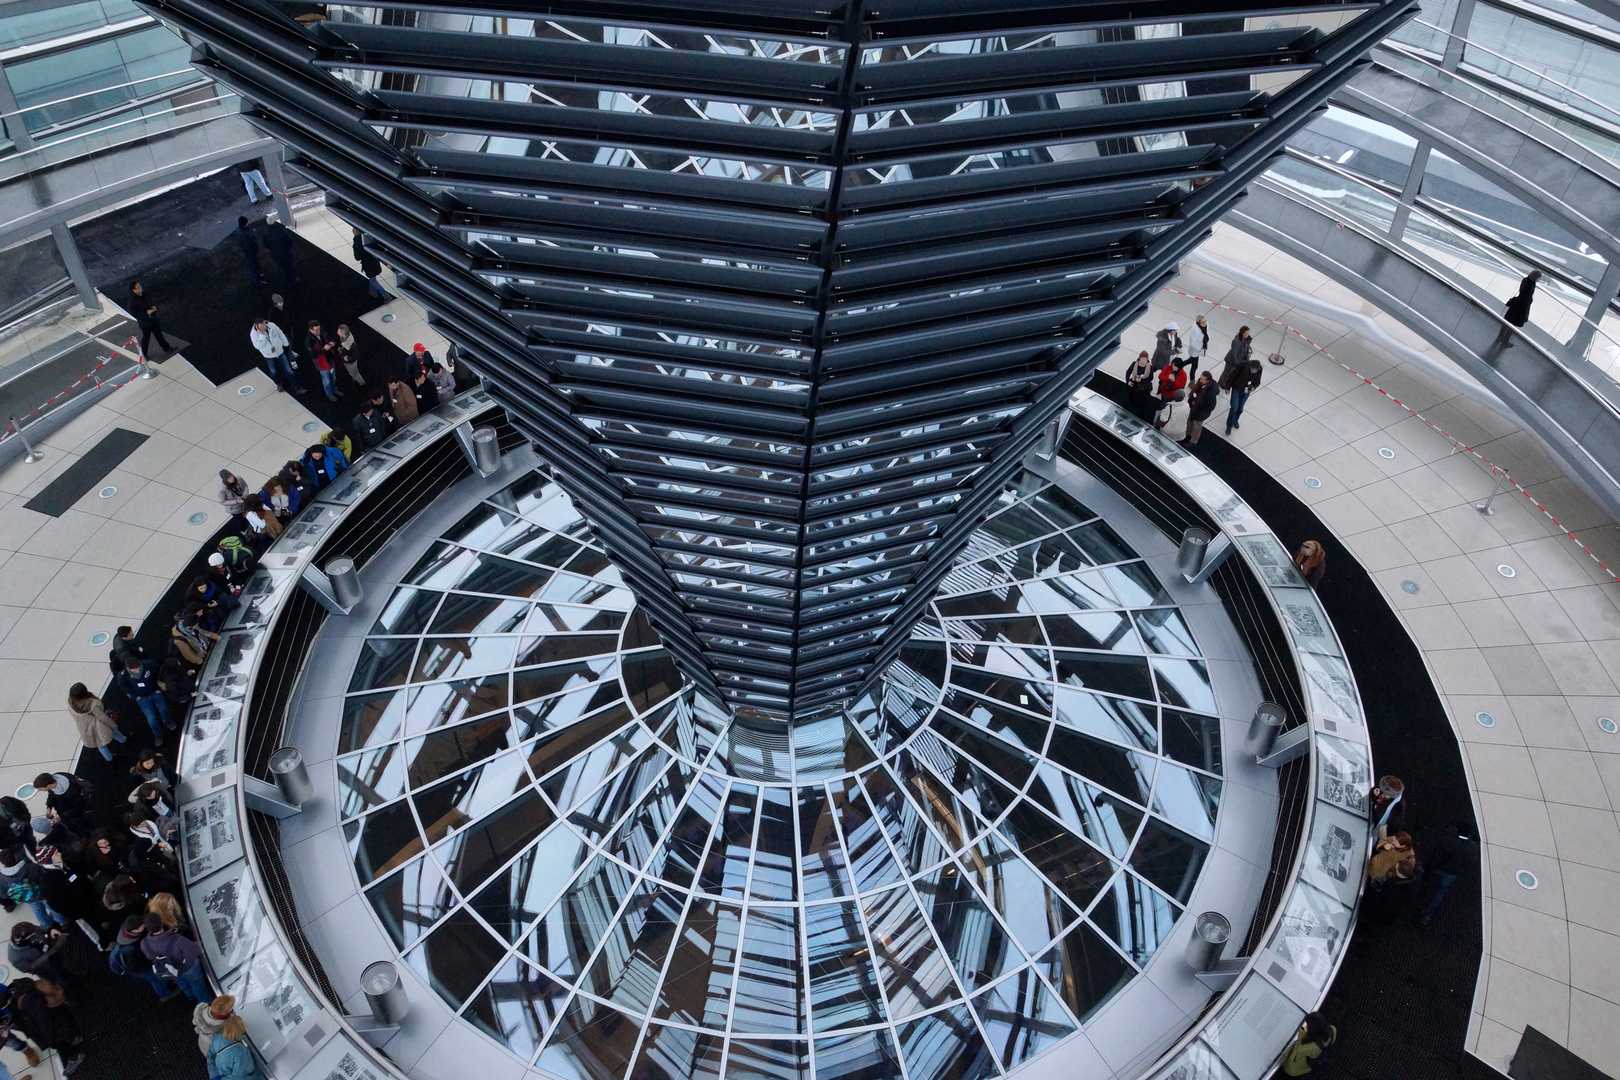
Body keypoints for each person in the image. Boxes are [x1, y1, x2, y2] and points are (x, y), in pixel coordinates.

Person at [3, 979, 84, 1076]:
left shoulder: (27, 1002)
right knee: (65, 1029)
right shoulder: (15, 989)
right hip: (57, 1016)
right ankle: (74, 1039)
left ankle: (74, 1057)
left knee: (57, 1042)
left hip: (51, 1024)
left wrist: (47, 1039)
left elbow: (43, 1020)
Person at [1419, 821, 1479, 926]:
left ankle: (1420, 887)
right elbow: (1471, 861)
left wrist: (1429, 866)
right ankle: (1427, 916)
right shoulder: (1473, 847)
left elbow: (1436, 857)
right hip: (1452, 873)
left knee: (1426, 878)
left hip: (1438, 868)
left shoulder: (1446, 841)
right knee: (1440, 893)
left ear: (1456, 829)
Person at [141, 912, 209, 1003]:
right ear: (161, 922)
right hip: (188, 968)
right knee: (197, 984)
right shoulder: (178, 939)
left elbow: (149, 956)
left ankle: (189, 995)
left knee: (180, 981)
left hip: (170, 968)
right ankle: (204, 1001)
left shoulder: (144, 943)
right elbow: (195, 951)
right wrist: (186, 965)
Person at [110, 915, 172, 1002]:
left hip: (139, 964)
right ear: (135, 930)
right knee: (157, 980)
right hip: (142, 970)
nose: (145, 926)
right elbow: (135, 967)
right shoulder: (132, 950)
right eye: (142, 926)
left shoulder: (126, 931)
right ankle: (164, 995)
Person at [114, 655, 172, 746]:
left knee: (163, 707)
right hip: (141, 697)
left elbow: (159, 673)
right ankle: (158, 734)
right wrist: (133, 697)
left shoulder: (148, 664)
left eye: (138, 668)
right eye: (134, 670)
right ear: (128, 668)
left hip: (153, 691)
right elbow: (123, 687)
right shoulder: (122, 675)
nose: (137, 671)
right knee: (151, 718)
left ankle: (168, 721)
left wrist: (159, 687)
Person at [0, 859, 65, 932]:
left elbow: (2, 894)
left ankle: (47, 925)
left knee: (37, 910)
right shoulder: (30, 867)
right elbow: (44, 879)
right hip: (41, 894)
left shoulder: (2, 878)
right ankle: (62, 922)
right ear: (15, 857)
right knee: (51, 907)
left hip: (27, 899)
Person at [66, 683, 125, 762]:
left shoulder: (70, 702)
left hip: (84, 726)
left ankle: (109, 758)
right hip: (98, 725)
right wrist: (113, 724)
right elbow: (103, 718)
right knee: (113, 730)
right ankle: (123, 740)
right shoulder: (93, 704)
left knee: (99, 743)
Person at [7, 924, 72, 990]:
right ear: (23, 939)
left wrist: (50, 929)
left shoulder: (26, 929)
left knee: (62, 970)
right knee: (56, 982)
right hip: (45, 969)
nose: (35, 934)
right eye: (32, 935)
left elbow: (37, 928)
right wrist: (52, 951)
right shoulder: (14, 957)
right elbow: (31, 968)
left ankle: (68, 978)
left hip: (51, 954)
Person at [206, 1013, 264, 1080]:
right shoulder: (241, 1052)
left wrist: (214, 1075)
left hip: (220, 1073)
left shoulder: (218, 1038)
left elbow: (210, 1055)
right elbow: (238, 1076)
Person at [249, 319, 299, 394]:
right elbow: (258, 346)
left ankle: (297, 387)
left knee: (288, 370)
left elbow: (280, 333)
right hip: (269, 356)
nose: (264, 328)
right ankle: (278, 383)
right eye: (261, 327)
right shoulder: (254, 334)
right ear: (257, 327)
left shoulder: (271, 325)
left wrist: (286, 344)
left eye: (264, 325)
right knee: (274, 371)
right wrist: (262, 336)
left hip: (280, 352)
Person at [127, 281, 173, 359]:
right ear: (134, 290)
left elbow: (150, 301)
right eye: (138, 287)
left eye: (140, 286)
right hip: (145, 323)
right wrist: (146, 313)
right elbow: (134, 313)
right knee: (146, 338)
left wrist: (153, 306)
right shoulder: (132, 302)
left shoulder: (144, 294)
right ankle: (143, 355)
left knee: (159, 335)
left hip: (153, 319)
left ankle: (166, 348)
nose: (141, 288)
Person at [1281, 1012, 1336, 1076]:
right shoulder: (1332, 1029)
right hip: (1319, 1053)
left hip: (1296, 1068)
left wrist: (1302, 1033)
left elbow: (1298, 1049)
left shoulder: (1310, 1047)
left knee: (1288, 1066)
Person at [1498, 269, 1541, 346]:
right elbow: (1526, 298)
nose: (1540, 279)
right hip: (1520, 308)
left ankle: (1500, 337)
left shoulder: (1525, 280)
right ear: (1536, 277)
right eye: (1539, 277)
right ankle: (1505, 341)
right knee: (1513, 325)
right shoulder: (1530, 286)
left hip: (1515, 305)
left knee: (1507, 322)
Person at [305, 320, 341, 400]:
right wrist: (323, 349)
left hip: (330, 359)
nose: (318, 331)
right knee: (327, 380)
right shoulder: (309, 341)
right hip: (322, 363)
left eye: (319, 329)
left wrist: (332, 342)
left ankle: (335, 390)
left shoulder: (322, 332)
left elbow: (330, 337)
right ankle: (330, 394)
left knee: (333, 377)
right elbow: (312, 354)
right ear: (311, 330)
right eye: (316, 330)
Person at [1225, 357, 1261, 435]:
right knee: (1234, 407)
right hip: (1237, 389)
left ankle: (1235, 420)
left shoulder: (1259, 370)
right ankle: (1229, 425)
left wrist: (1254, 387)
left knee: (1240, 408)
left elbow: (1258, 380)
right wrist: (1227, 387)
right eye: (1253, 370)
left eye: (1255, 370)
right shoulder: (1241, 366)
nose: (1254, 372)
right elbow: (1232, 376)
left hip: (1246, 391)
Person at [353, 228, 391, 301]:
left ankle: (386, 296)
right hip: (375, 262)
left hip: (368, 265)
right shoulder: (368, 238)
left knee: (373, 280)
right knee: (372, 278)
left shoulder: (356, 244)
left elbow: (357, 258)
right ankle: (373, 291)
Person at [1182, 372, 1218, 448]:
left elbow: (1211, 406)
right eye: (1200, 378)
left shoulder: (1211, 392)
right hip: (1194, 407)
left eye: (1202, 379)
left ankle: (1193, 441)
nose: (1200, 381)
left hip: (1201, 412)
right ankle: (1188, 434)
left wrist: (1202, 410)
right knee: (1190, 420)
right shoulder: (1200, 383)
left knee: (1197, 426)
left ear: (1207, 381)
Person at [262, 218, 298, 289]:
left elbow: (265, 244)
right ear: (274, 222)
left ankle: (286, 282)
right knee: (290, 266)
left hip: (276, 254)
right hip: (286, 251)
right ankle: (293, 280)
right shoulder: (280, 229)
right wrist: (289, 246)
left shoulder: (266, 232)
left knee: (282, 268)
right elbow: (289, 239)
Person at [1154, 357, 1188, 429]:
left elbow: (1182, 386)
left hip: (1171, 395)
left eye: (1175, 366)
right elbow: (1160, 376)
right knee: (1162, 404)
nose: (1173, 367)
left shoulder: (1183, 374)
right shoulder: (1168, 367)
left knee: (1162, 407)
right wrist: (1168, 377)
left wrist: (1174, 381)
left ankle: (1157, 422)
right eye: (1173, 365)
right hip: (1164, 391)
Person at [1123, 350, 1157, 423]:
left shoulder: (1149, 367)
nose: (1143, 361)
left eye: (1145, 359)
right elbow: (1128, 372)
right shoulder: (1135, 364)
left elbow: (1151, 378)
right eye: (1142, 358)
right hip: (1134, 386)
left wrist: (1141, 381)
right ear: (1139, 358)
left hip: (1144, 388)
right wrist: (1128, 381)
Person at [233, 216, 264, 288]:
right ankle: (258, 281)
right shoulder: (245, 233)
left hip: (246, 252)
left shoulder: (239, 231)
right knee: (253, 266)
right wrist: (255, 248)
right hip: (250, 252)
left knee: (254, 265)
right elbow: (249, 244)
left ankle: (258, 276)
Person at [335, 324, 363, 388]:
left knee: (355, 373)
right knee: (351, 373)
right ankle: (355, 379)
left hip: (351, 363)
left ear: (343, 333)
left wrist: (347, 358)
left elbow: (356, 356)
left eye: (338, 332)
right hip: (345, 360)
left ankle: (361, 383)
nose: (337, 333)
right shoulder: (343, 338)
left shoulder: (351, 345)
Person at [1184, 313, 1210, 379]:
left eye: (1205, 321)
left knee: (1191, 361)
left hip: (1200, 349)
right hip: (1195, 350)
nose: (1204, 324)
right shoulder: (1195, 330)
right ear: (1198, 323)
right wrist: (1199, 349)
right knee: (1194, 366)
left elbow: (1207, 334)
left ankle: (1179, 365)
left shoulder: (1206, 326)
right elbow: (1192, 343)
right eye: (1202, 322)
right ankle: (1192, 380)